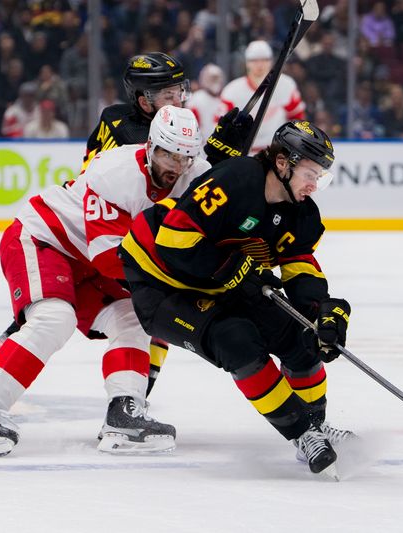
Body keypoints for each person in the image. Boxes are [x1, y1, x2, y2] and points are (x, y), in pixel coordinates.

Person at [0, 52, 193, 442]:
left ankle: (124, 411)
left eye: (180, 91)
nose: (178, 100)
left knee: (134, 316)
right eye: (168, 93)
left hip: (94, 250)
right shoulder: (120, 147)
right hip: (53, 239)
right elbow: (111, 255)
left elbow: (213, 186)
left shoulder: (179, 153)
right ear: (144, 100)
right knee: (52, 319)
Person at [118, 120, 355, 479]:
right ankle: (303, 434)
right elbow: (173, 242)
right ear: (281, 164)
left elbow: (298, 264)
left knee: (301, 333)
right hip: (161, 281)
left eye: (321, 176)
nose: (314, 184)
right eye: (310, 173)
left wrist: (322, 309)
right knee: (236, 340)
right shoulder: (235, 180)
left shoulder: (302, 211)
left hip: (222, 280)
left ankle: (315, 424)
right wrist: (231, 267)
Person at [220, 40, 305, 154]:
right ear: (246, 62)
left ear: (271, 61)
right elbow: (223, 127)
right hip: (243, 153)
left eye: (265, 60)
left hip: (276, 152)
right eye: (254, 60)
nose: (260, 65)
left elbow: (297, 119)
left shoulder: (286, 85)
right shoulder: (231, 91)